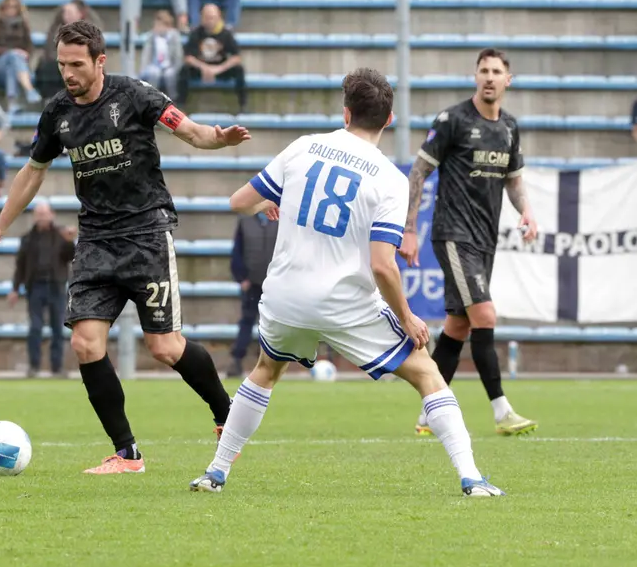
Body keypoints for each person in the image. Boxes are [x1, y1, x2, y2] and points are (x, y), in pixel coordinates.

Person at [189, 68, 504, 498]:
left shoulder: (304, 147)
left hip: (285, 295)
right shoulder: (389, 178)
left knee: (265, 371)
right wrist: (408, 318)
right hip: (342, 302)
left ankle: (216, 472)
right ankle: (472, 478)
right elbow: (382, 266)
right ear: (389, 119)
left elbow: (239, 203)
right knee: (428, 373)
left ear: (345, 112)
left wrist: (274, 201)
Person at [0, 20, 251, 475]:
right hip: (95, 240)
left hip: (147, 234)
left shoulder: (136, 95)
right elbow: (32, 171)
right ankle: (127, 453)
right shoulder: (57, 111)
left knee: (165, 348)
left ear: (100, 61)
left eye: (77, 64)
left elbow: (191, 131)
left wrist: (220, 138)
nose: (68, 74)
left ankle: (225, 411)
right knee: (85, 342)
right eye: (62, 65)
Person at [399, 48, 539, 437]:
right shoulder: (453, 120)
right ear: (475, 77)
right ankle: (501, 411)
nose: (489, 77)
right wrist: (410, 229)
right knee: (485, 316)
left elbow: (513, 180)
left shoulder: (510, 127)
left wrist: (526, 210)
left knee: (458, 326)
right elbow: (418, 172)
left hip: (485, 238)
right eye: (483, 70)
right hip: (454, 234)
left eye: (496, 71)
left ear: (508, 79)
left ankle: (429, 413)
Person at [9, 202, 77, 378]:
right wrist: (15, 288)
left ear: (52, 215)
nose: (42, 217)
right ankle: (34, 366)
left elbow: (70, 257)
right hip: (35, 287)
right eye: (38, 214)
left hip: (56, 286)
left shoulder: (61, 236)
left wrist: (70, 242)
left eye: (44, 214)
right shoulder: (27, 238)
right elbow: (20, 265)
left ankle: (57, 367)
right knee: (35, 327)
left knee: (57, 328)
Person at [227, 211, 278, 378]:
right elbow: (237, 251)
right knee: (247, 322)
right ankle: (236, 361)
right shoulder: (245, 221)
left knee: (272, 326)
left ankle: (269, 364)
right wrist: (241, 278)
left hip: (274, 284)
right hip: (252, 283)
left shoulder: (282, 220)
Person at [178, 4, 246, 113]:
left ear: (218, 18)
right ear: (202, 18)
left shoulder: (226, 34)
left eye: (212, 17)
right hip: (200, 69)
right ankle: (181, 106)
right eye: (207, 17)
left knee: (239, 69)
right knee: (184, 70)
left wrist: (218, 69)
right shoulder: (196, 33)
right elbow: (188, 57)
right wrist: (204, 68)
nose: (209, 21)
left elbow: (236, 57)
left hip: (220, 69)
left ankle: (243, 105)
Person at [36, 0, 105, 101]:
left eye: (70, 13)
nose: (66, 15)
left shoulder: (90, 31)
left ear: (79, 14)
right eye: (65, 12)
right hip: (58, 63)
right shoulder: (55, 30)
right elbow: (49, 50)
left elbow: (94, 51)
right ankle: (51, 99)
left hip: (83, 62)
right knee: (47, 66)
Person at [0, 0, 42, 114]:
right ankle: (29, 89)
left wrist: (25, 55)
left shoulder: (23, 24)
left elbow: (30, 47)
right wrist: (12, 52)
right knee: (13, 56)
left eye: (14, 6)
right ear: (3, 8)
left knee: (12, 66)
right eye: (8, 6)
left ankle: (12, 102)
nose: (11, 9)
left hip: (18, 66)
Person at [139, 10, 184, 101]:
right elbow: (146, 55)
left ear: (167, 26)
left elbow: (178, 56)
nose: (157, 28)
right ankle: (151, 99)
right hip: (154, 65)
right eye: (156, 25)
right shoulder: (151, 36)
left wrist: (176, 68)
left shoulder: (174, 36)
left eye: (160, 25)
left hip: (169, 65)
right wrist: (142, 70)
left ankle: (173, 98)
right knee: (154, 72)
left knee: (169, 74)